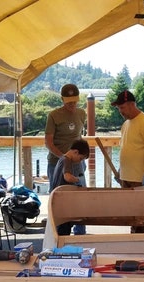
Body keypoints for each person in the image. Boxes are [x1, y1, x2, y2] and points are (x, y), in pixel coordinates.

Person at [111, 90, 144, 233]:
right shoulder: (126, 124)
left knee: (141, 217)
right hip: (126, 177)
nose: (121, 111)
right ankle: (134, 239)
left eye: (122, 108)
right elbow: (126, 148)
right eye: (119, 109)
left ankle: (141, 243)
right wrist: (120, 170)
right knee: (130, 214)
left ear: (132, 104)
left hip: (140, 178)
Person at [45, 83, 87, 235]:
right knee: (57, 198)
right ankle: (55, 232)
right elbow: (48, 142)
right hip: (57, 162)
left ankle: (80, 232)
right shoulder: (54, 115)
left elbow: (79, 137)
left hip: (78, 162)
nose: (72, 104)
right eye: (69, 101)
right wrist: (64, 158)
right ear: (62, 99)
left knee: (81, 196)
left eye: (75, 101)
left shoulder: (82, 113)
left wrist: (81, 157)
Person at [49, 139, 90, 235]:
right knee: (63, 230)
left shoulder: (61, 159)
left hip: (58, 199)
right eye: (80, 158)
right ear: (75, 152)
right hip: (62, 201)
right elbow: (67, 177)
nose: (79, 161)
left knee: (62, 229)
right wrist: (77, 180)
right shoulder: (66, 161)